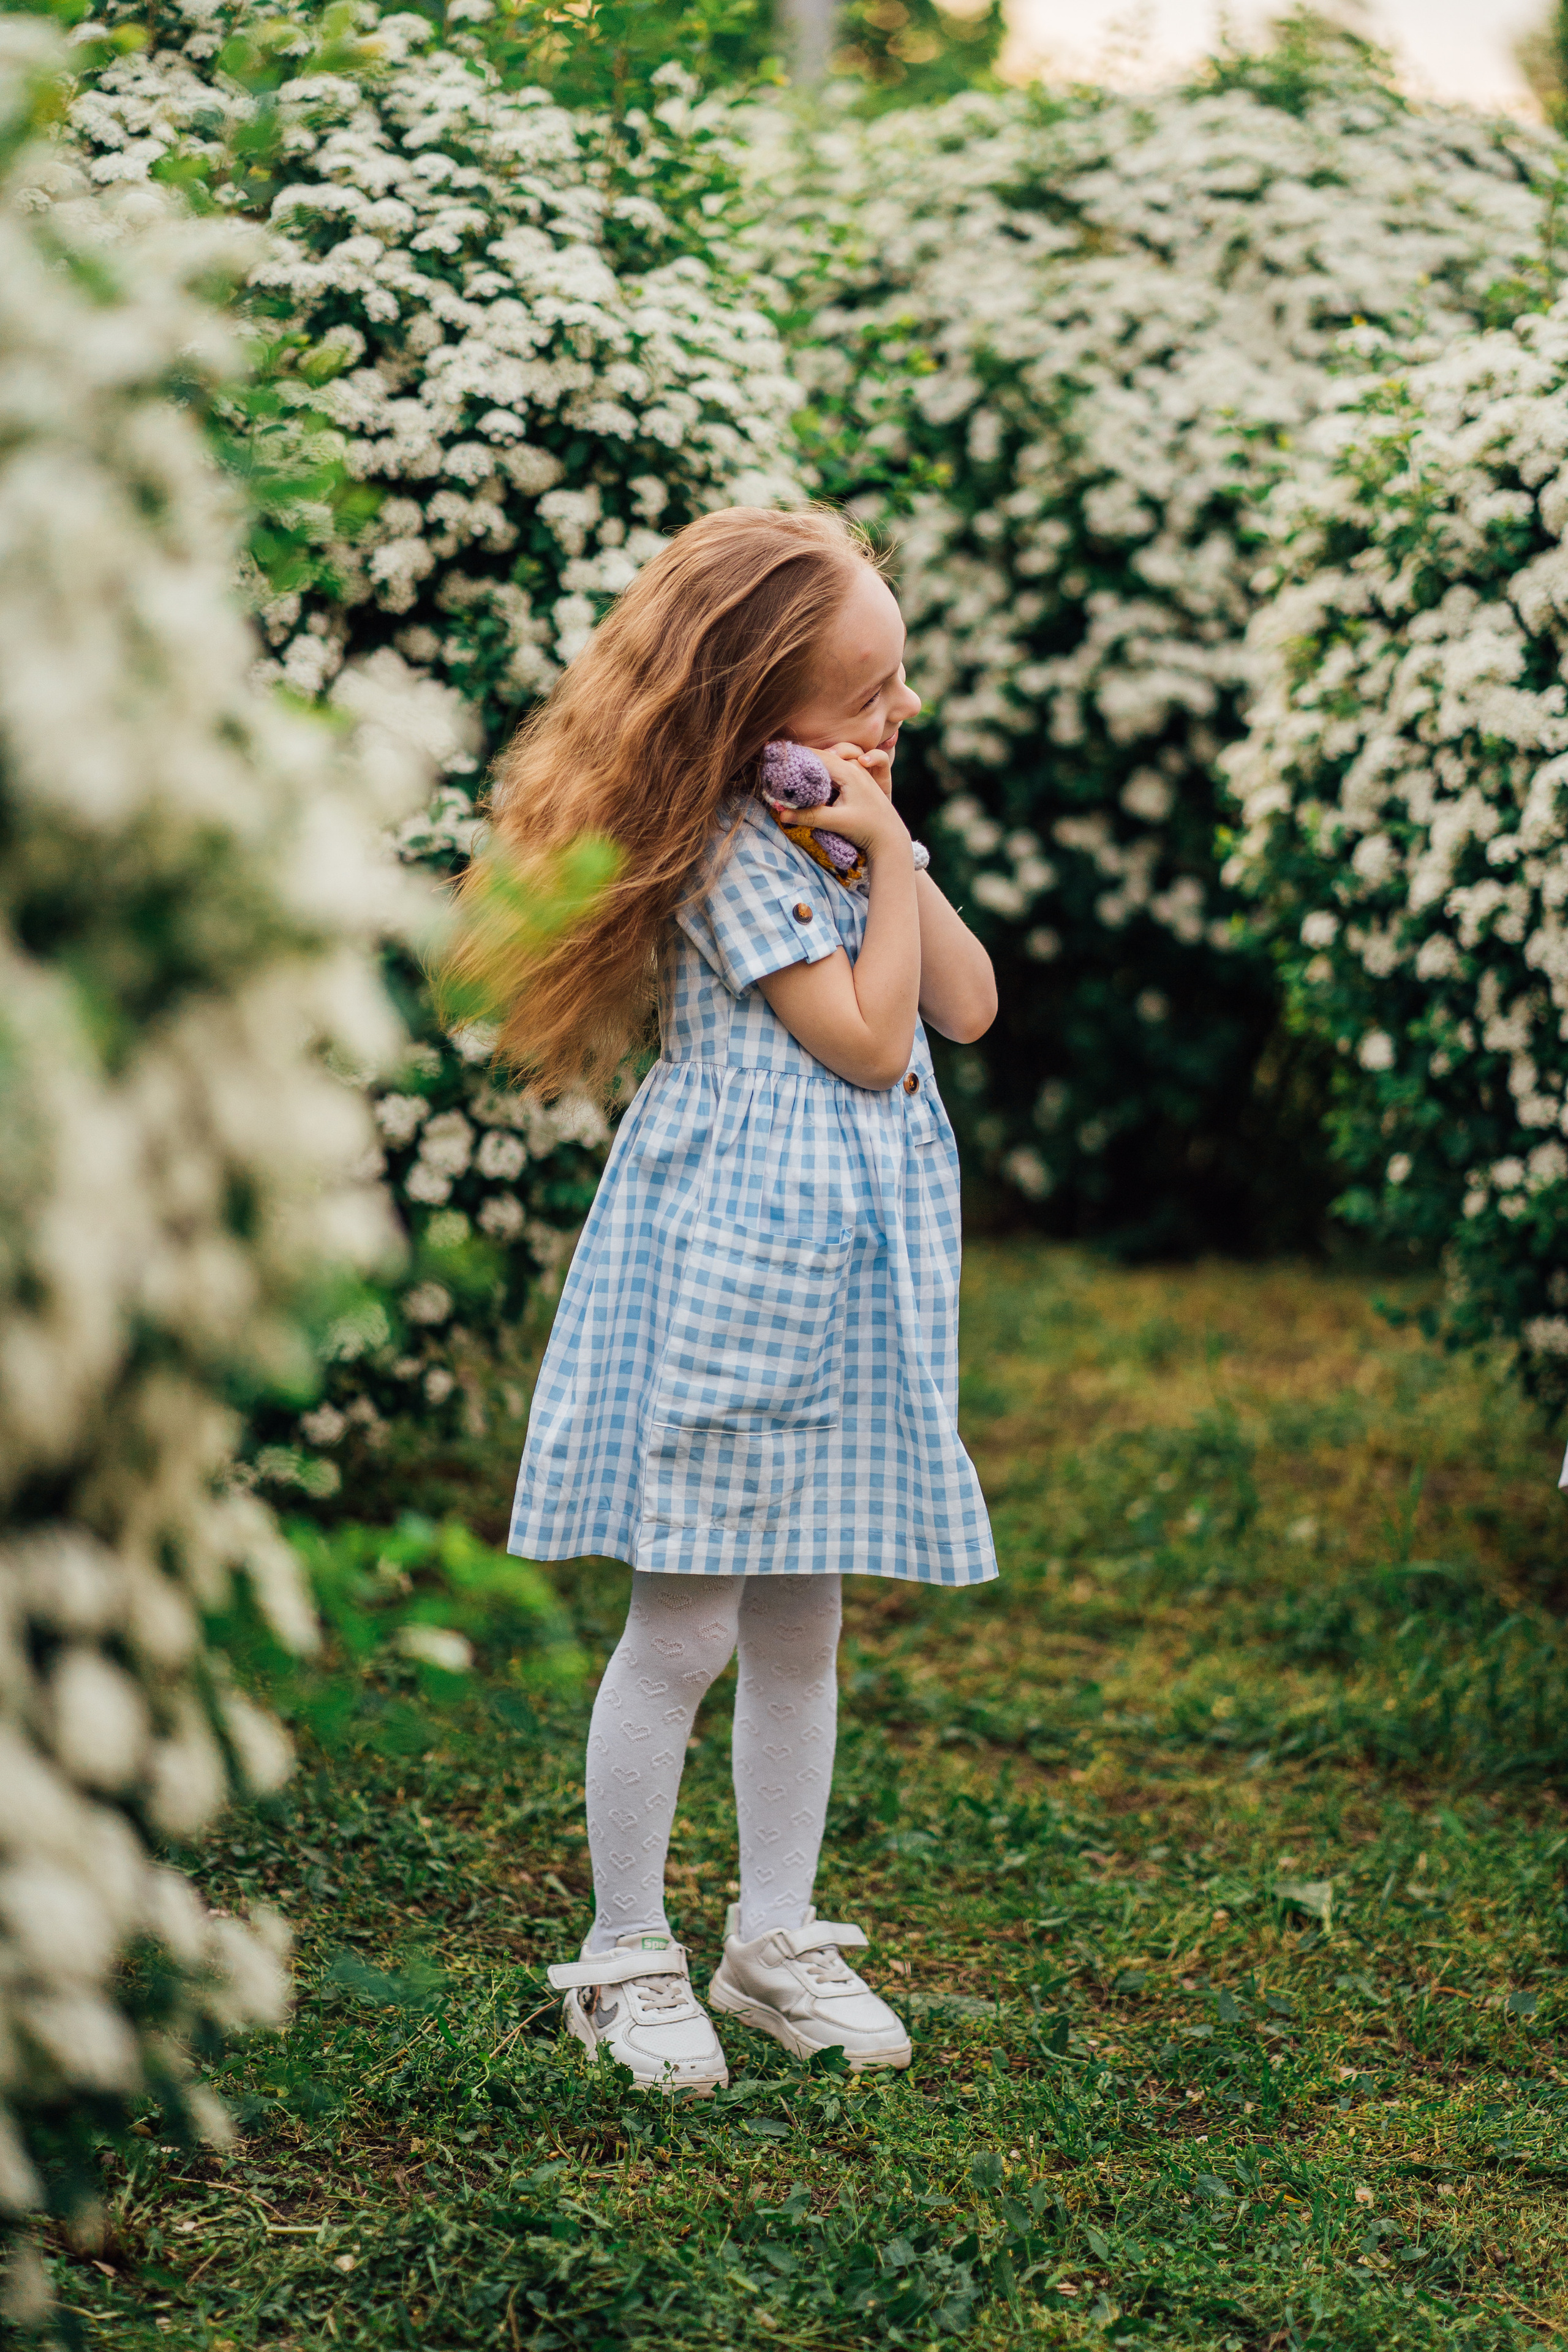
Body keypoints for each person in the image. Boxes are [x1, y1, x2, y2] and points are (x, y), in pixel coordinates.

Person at [454, 505, 998, 2093]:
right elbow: (875, 1043)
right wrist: (882, 860)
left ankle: (775, 1935)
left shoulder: (835, 837)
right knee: (686, 1624)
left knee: (802, 1624)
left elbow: (965, 1001)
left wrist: (889, 849)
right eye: (872, 693)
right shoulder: (730, 863)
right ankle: (627, 1952)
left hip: (842, 1280)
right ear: (768, 724)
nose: (905, 714)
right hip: (739, 1268)